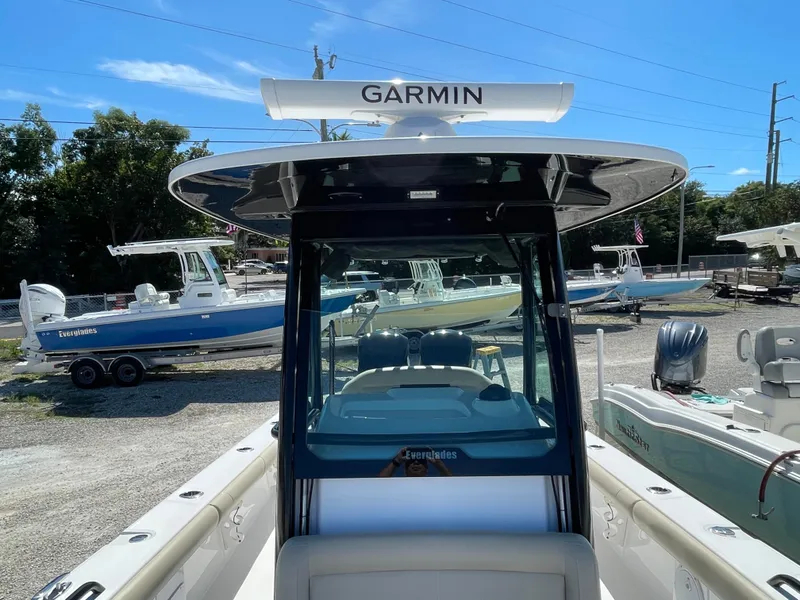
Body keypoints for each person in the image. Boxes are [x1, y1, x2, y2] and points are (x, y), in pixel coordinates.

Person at [379, 447, 452, 477]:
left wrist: (439, 465)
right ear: (405, 470)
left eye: (421, 460)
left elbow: (452, 485)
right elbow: (378, 485)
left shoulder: (434, 486)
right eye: (411, 460)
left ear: (426, 470)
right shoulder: (398, 485)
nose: (416, 462)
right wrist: (396, 461)